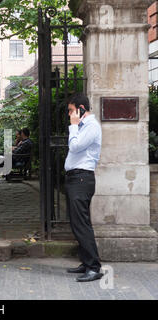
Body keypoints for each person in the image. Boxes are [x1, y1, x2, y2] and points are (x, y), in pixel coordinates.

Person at [64, 93, 103, 282]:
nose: (69, 114)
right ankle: (86, 262)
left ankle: (94, 267)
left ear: (80, 109)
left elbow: (75, 147)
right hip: (75, 179)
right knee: (77, 223)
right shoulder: (82, 126)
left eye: (71, 110)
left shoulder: (91, 126)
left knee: (82, 225)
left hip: (81, 179)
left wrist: (73, 126)